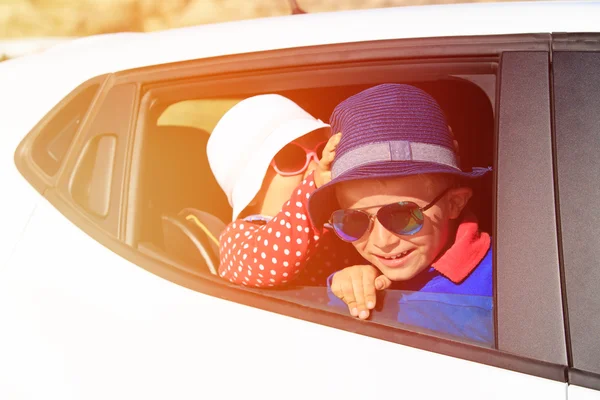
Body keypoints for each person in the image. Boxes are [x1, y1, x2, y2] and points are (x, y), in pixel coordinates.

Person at [307, 84, 492, 337]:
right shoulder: (373, 272)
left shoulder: (500, 282)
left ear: (454, 204)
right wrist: (349, 285)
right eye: (354, 221)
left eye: (403, 216)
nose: (382, 242)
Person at [207, 94, 364, 287]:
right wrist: (312, 189)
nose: (316, 166)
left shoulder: (333, 224)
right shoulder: (238, 237)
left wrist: (361, 276)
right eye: (291, 158)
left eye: (322, 151)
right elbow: (267, 266)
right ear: (250, 192)